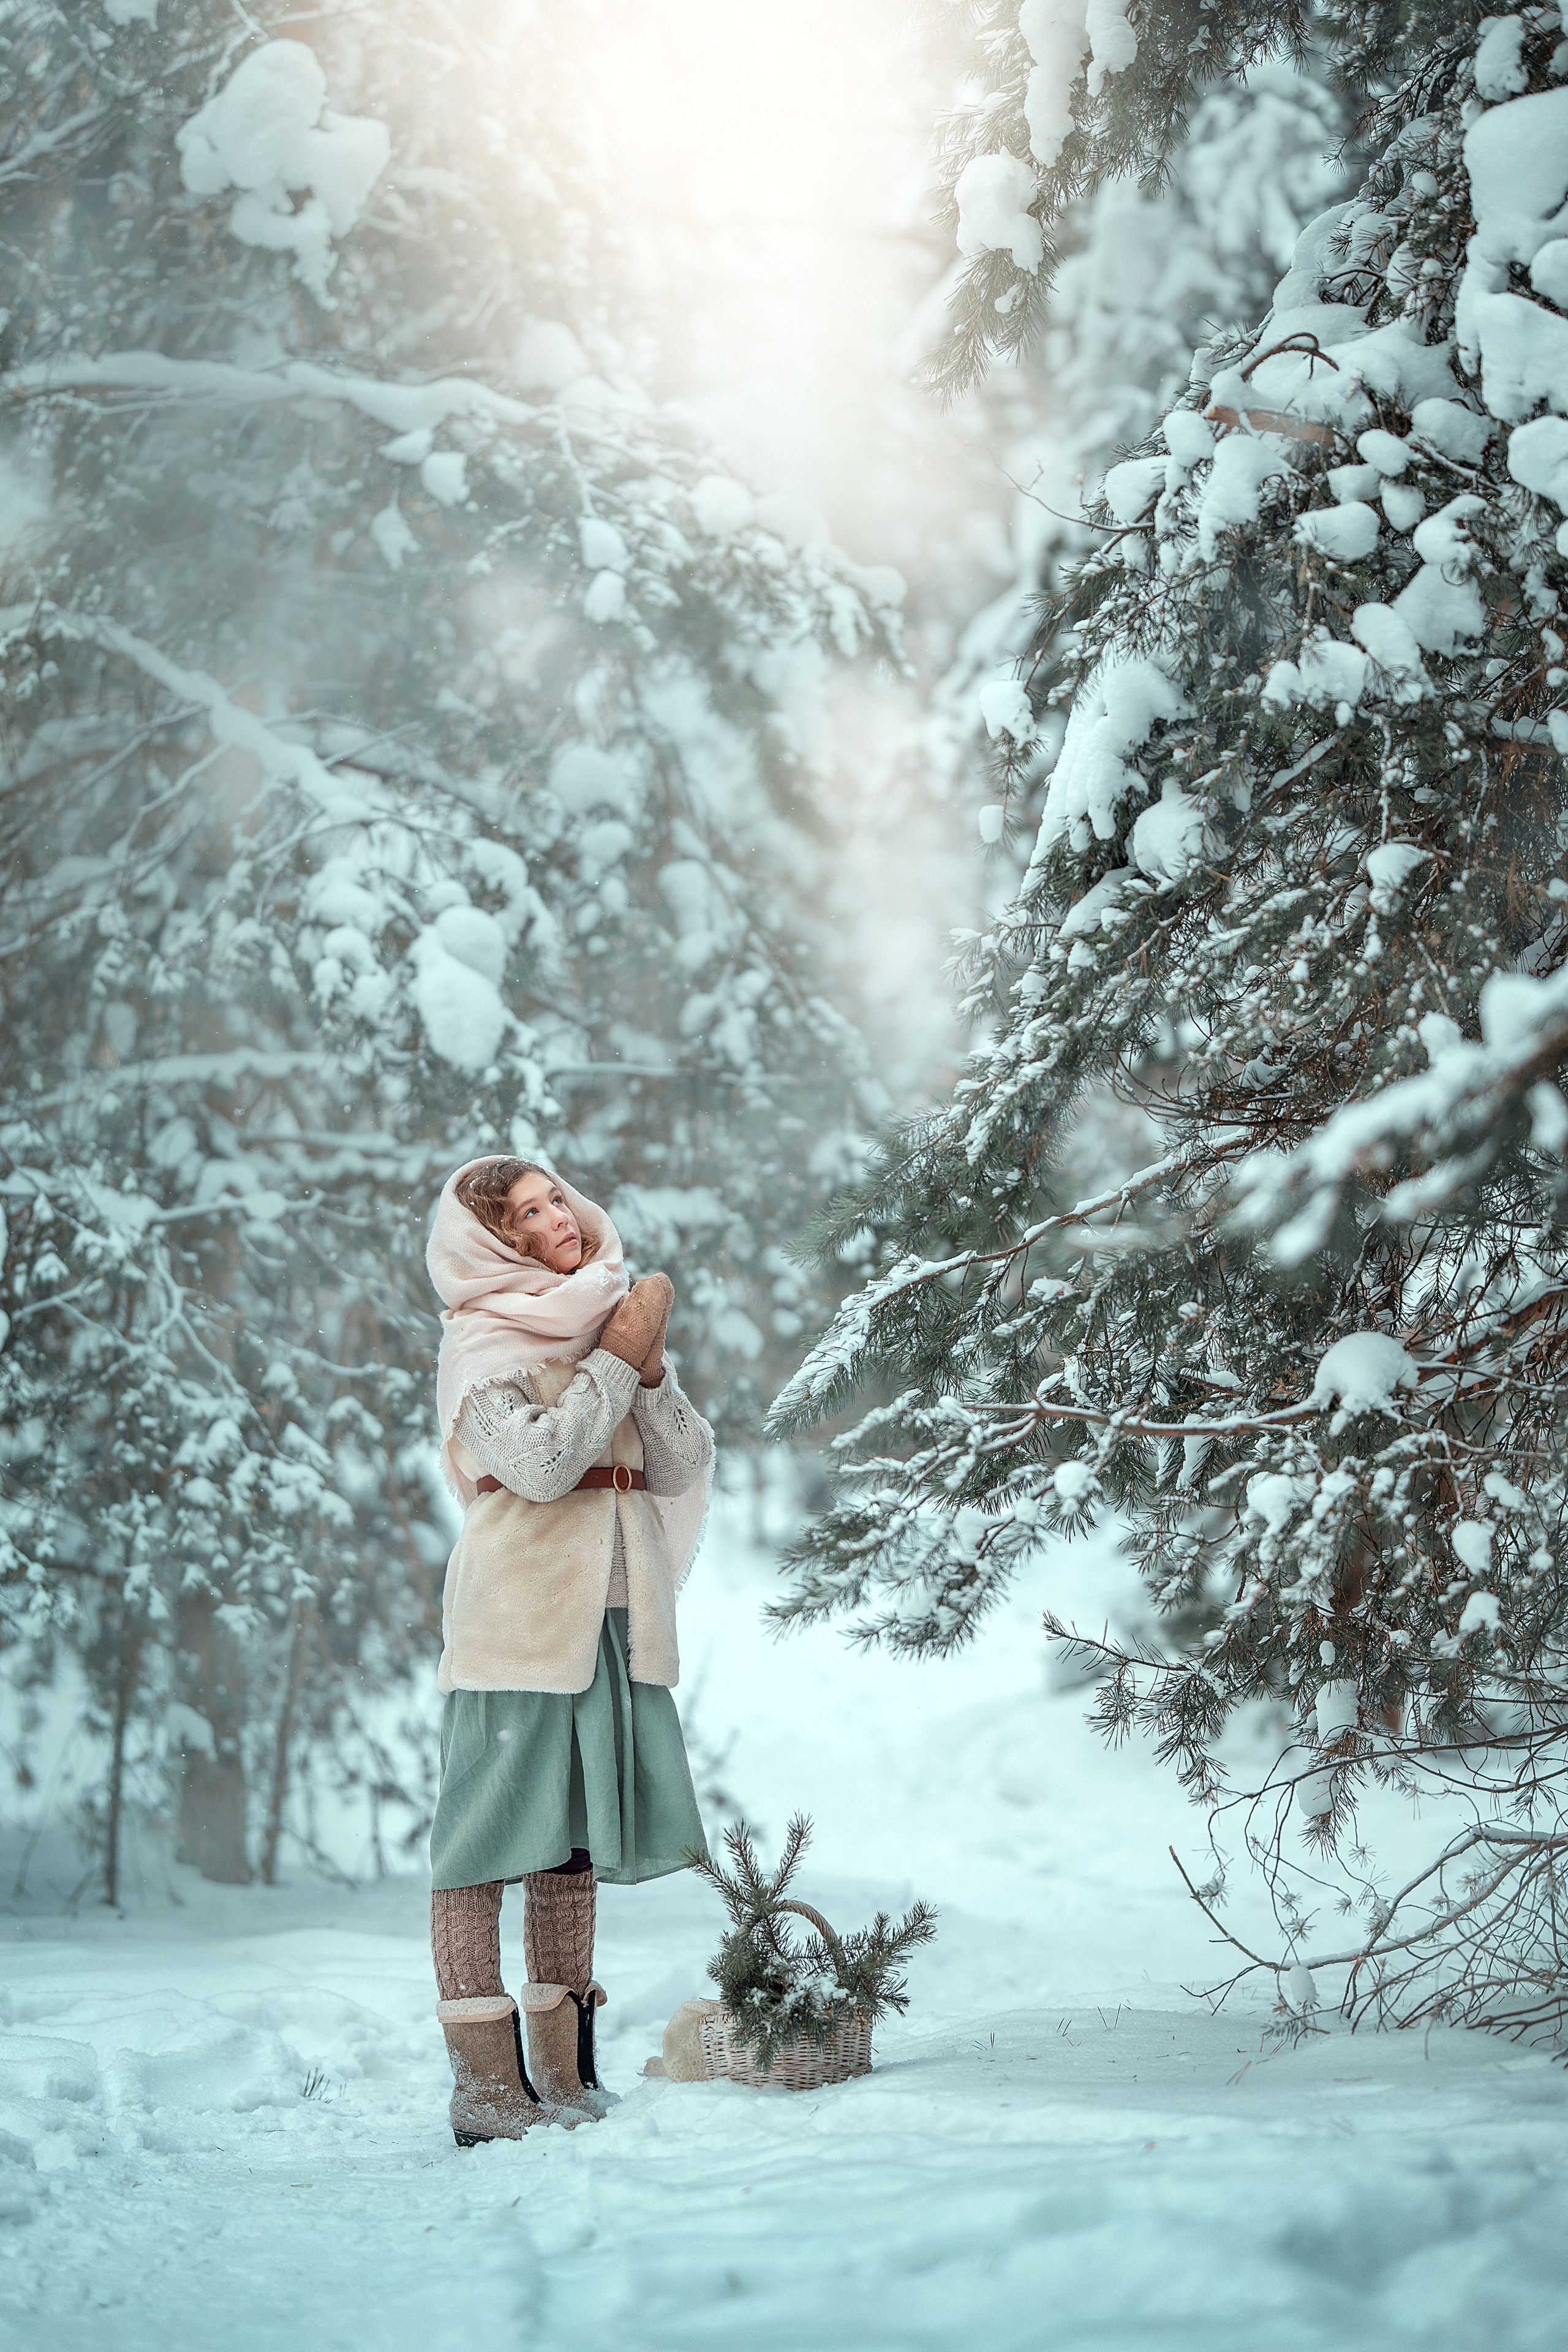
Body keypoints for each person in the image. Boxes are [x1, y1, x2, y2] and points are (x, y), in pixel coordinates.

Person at [423, 1156, 714, 2146]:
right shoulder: (482, 1347)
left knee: (572, 1844)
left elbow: (677, 1463)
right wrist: (613, 1362)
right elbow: (544, 1465)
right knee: (482, 1845)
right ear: (494, 1244)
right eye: (528, 1214)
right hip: (515, 1620)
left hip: (608, 1618)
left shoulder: (602, 1319)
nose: (558, 1219)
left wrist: (650, 1367)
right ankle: (485, 2092)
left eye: (557, 1199)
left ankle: (563, 2072)